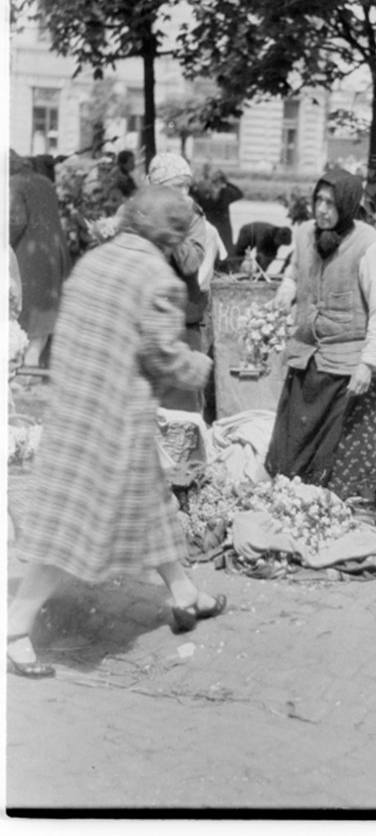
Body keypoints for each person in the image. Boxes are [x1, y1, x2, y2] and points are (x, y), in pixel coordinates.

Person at [7, 186, 226, 679]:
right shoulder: (158, 278)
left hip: (74, 412)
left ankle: (184, 593)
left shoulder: (94, 262)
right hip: (113, 426)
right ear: (170, 234)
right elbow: (162, 357)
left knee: (154, 504)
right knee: (72, 528)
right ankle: (15, 627)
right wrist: (199, 364)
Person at [265, 167, 376, 510]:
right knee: (292, 448)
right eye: (318, 200)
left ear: (348, 205)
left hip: (345, 368)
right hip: (307, 356)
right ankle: (296, 503)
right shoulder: (306, 234)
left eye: (330, 203)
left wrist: (368, 364)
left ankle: (332, 509)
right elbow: (295, 272)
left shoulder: (367, 245)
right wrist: (287, 290)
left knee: (336, 458)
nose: (321, 209)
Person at [148, 153, 209, 411]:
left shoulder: (192, 216)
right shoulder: (139, 210)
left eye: (187, 185)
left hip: (183, 321)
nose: (184, 193)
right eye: (176, 186)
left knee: (183, 405)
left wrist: (172, 225)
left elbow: (190, 263)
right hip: (147, 316)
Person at [9, 150, 72, 367]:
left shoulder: (14, 184)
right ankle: (32, 364)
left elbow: (15, 221)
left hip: (28, 256)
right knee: (45, 315)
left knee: (26, 311)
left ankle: (27, 369)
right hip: (54, 252)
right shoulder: (45, 182)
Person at [190, 166, 244, 257]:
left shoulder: (210, 192)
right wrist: (226, 183)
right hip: (217, 229)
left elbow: (239, 193)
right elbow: (239, 193)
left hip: (217, 229)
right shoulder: (225, 192)